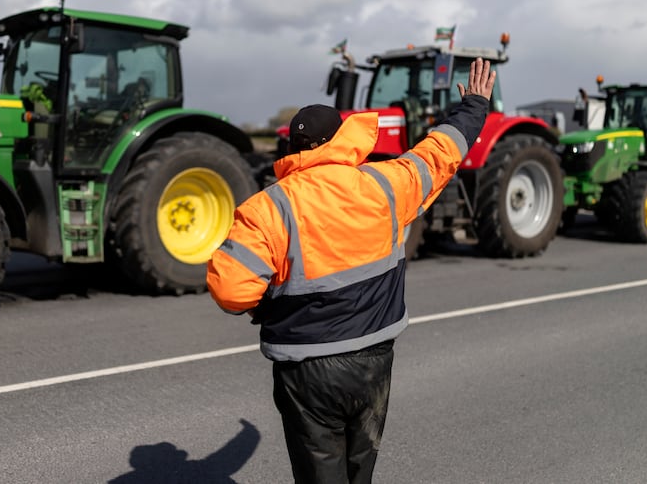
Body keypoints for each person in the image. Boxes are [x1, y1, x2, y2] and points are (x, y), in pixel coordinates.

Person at [207, 58, 496, 483]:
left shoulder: (270, 207)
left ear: (292, 150)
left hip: (307, 371)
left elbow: (231, 289)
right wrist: (473, 106)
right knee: (361, 472)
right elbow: (440, 153)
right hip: (374, 361)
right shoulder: (386, 184)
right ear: (341, 140)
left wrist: (267, 307)